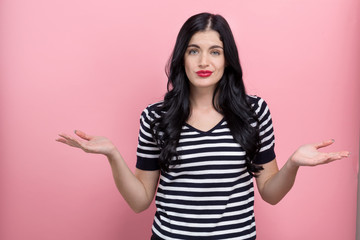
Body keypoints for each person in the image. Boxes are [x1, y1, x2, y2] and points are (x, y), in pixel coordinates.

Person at [56, 12, 350, 240]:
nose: (204, 61)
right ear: (182, 57)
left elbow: (270, 193)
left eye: (215, 51)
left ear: (227, 59)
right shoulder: (155, 116)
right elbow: (140, 201)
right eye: (194, 50)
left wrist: (293, 164)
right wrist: (113, 155)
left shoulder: (254, 111)